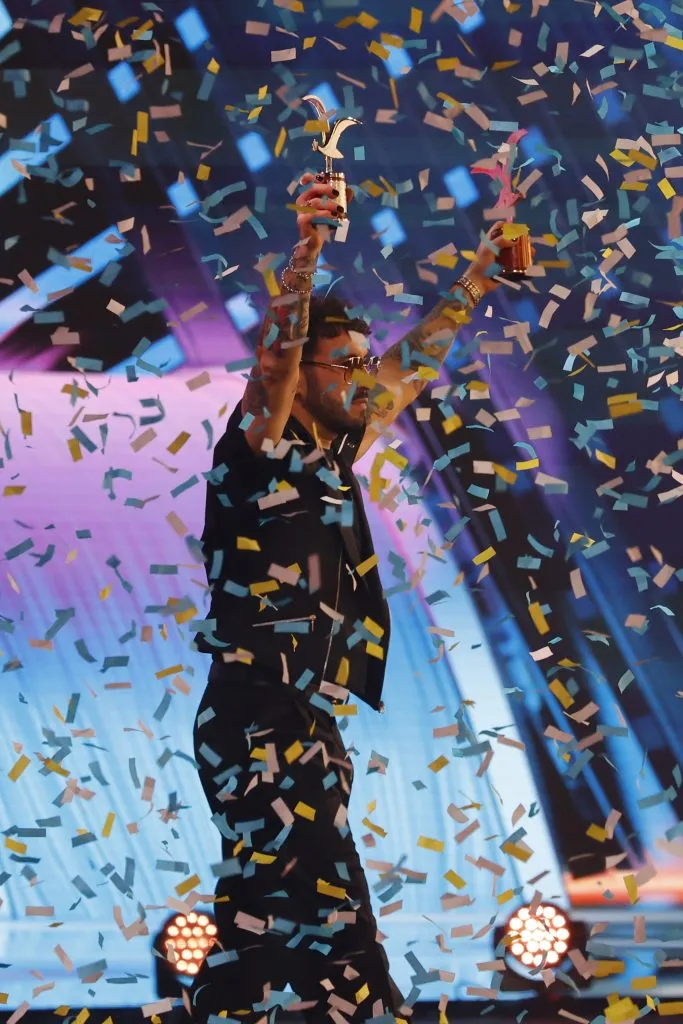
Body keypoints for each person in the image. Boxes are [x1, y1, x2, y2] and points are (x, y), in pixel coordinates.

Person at [188, 171, 527, 1024]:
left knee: (257, 933)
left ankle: (230, 1002)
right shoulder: (256, 446)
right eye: (344, 364)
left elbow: (408, 370)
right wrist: (307, 247)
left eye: (362, 362)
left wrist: (479, 276)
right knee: (336, 924)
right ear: (299, 376)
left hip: (297, 719)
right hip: (257, 715)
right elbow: (274, 355)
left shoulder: (331, 455)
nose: (363, 377)